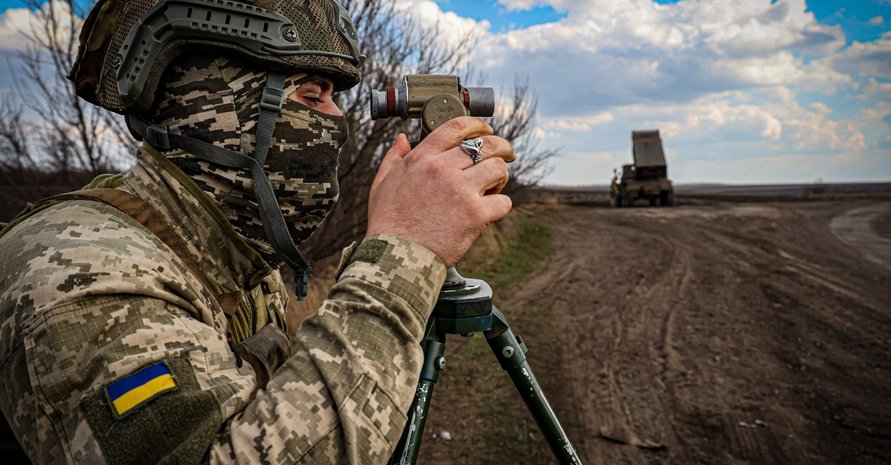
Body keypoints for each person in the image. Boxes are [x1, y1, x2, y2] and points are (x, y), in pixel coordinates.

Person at [0, 0, 514, 463]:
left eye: (334, 97)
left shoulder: (227, 251)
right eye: (312, 97)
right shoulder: (78, 274)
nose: (339, 121)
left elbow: (277, 410)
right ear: (223, 113)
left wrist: (398, 241)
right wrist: (407, 251)